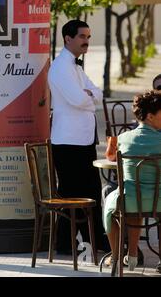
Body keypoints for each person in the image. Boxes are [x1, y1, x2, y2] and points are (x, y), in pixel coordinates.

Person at [48, 20, 107, 253]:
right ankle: (68, 242)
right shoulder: (61, 67)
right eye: (83, 36)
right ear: (67, 39)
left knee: (90, 191)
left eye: (89, 37)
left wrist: (90, 95)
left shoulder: (77, 68)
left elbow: (98, 94)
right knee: (72, 193)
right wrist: (89, 97)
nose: (86, 41)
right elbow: (78, 99)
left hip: (82, 139)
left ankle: (89, 239)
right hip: (68, 141)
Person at [103, 90, 161, 271]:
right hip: (159, 200)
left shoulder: (123, 139)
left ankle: (118, 255)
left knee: (110, 197)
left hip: (129, 200)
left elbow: (111, 157)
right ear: (150, 116)